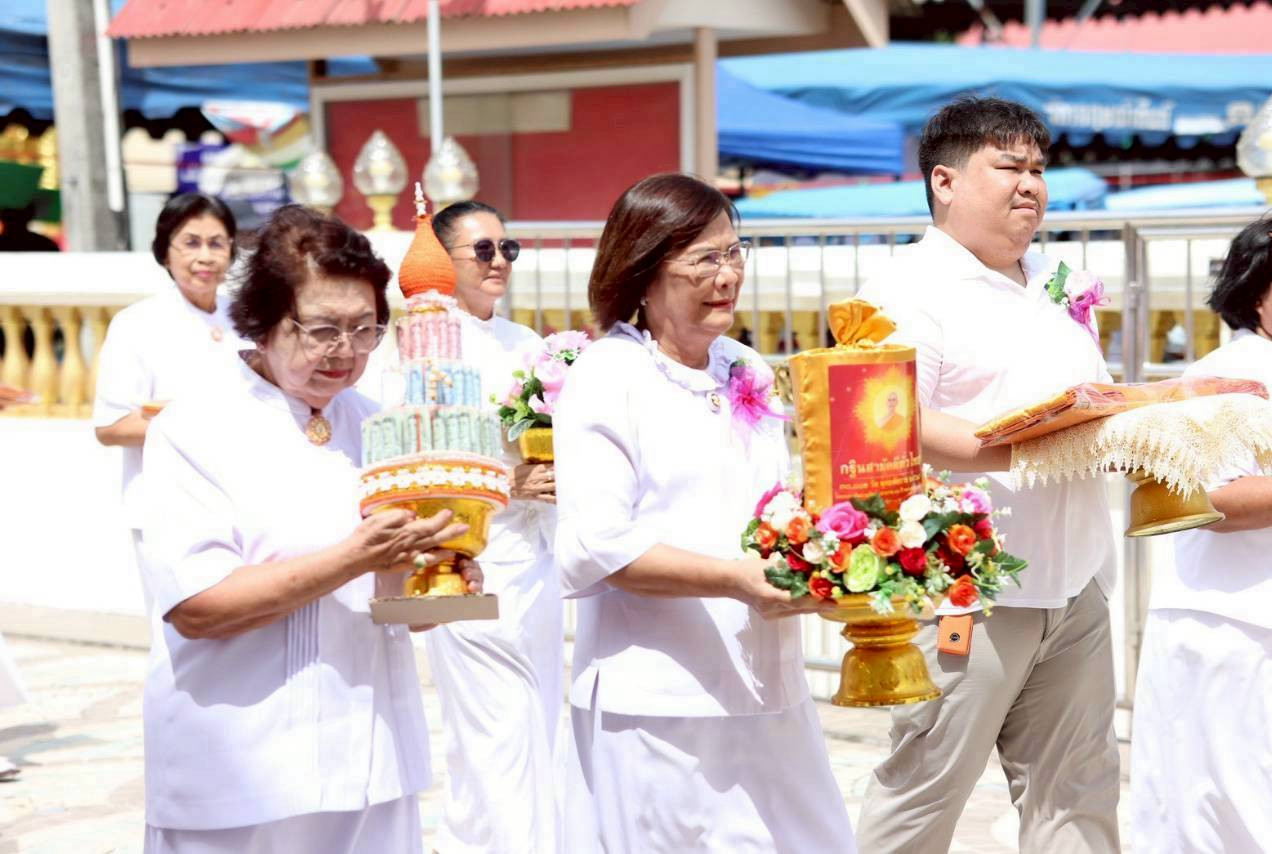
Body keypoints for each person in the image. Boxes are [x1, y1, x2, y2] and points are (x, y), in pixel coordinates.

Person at [138, 205, 482, 852]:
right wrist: (355, 555)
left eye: (364, 329)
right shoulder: (195, 429)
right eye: (322, 329)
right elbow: (198, 607)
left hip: (370, 757)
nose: (344, 352)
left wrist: (442, 577)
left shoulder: (383, 428)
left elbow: (401, 611)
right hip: (241, 763)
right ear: (264, 321)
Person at [554, 173, 854, 851]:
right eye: (705, 259)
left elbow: (773, 508)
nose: (728, 276)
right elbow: (597, 545)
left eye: (734, 253)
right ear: (644, 270)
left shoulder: (745, 366)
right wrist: (734, 579)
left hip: (766, 680)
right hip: (660, 700)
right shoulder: (608, 375)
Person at [856, 97, 1120, 853]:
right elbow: (895, 422)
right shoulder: (903, 288)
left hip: (1075, 583)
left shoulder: (1058, 280)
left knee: (1078, 800)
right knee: (924, 794)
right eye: (1008, 166)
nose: (1030, 184)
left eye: (1038, 168)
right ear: (943, 181)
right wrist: (1033, 451)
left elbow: (1095, 400)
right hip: (966, 588)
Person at [1131, 213, 1272, 852]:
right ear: (1255, 293)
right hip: (1232, 631)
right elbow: (1211, 500)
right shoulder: (1229, 377)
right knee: (1230, 821)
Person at [421, 201, 562, 853]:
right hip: (465, 558)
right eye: (482, 250)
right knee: (491, 728)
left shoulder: (527, 343)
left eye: (508, 248)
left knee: (541, 720)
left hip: (535, 555)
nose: (499, 260)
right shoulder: (425, 345)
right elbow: (417, 469)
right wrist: (507, 486)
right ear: (443, 258)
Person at [93, 193, 248, 614]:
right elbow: (111, 427)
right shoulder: (137, 324)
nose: (205, 256)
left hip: (243, 501)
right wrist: (201, 425)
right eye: (191, 243)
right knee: (180, 632)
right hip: (167, 506)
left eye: (217, 243)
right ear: (165, 252)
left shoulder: (246, 318)